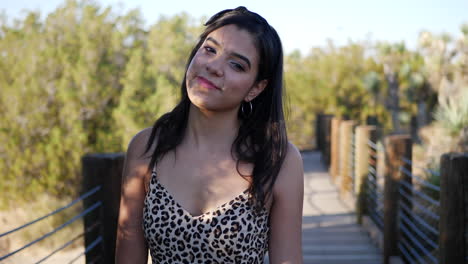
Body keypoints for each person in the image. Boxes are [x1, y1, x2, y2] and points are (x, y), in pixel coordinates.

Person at [115, 6, 304, 264]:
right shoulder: (147, 146)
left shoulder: (279, 160)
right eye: (210, 49)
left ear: (256, 88)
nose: (214, 67)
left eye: (236, 65)